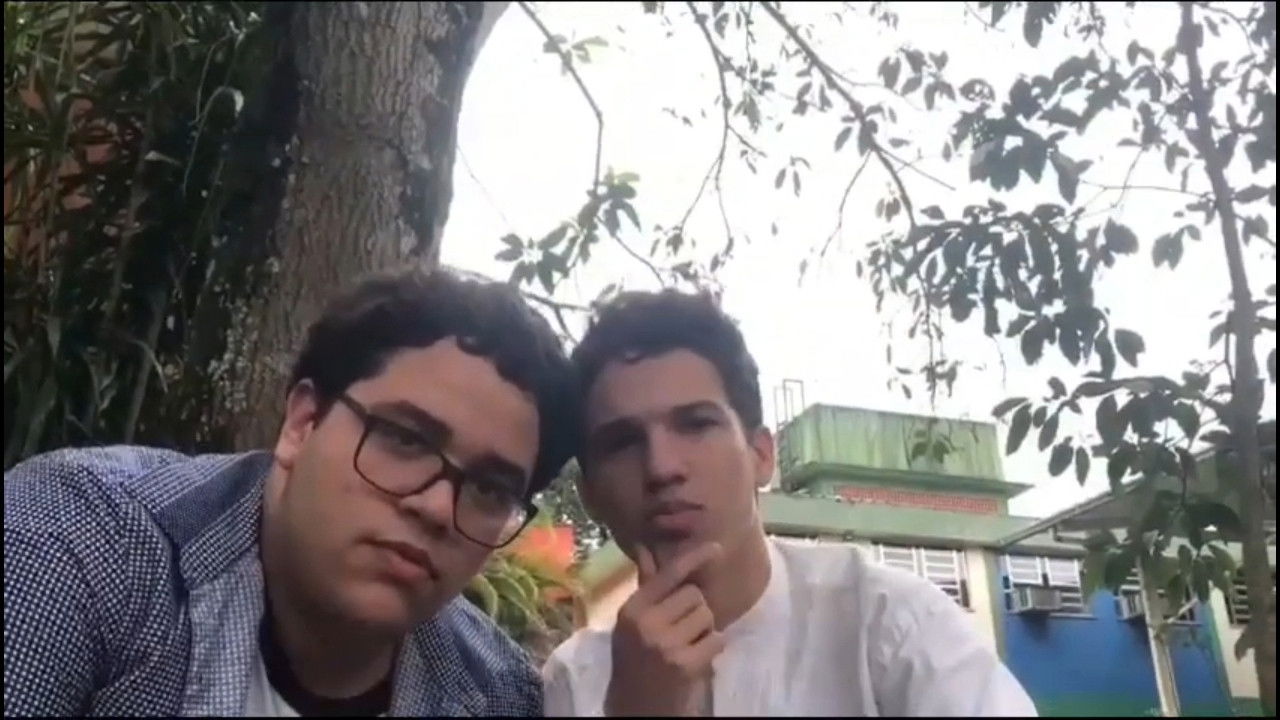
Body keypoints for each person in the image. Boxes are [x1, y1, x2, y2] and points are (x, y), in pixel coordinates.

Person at [4, 268, 578, 717]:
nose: (436, 508)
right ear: (303, 423)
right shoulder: (83, 538)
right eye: (405, 439)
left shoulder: (495, 695)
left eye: (488, 489)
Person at [543, 289, 1037, 717]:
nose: (662, 467)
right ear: (591, 497)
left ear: (762, 456)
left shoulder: (889, 623)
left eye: (696, 425)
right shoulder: (575, 681)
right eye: (623, 443)